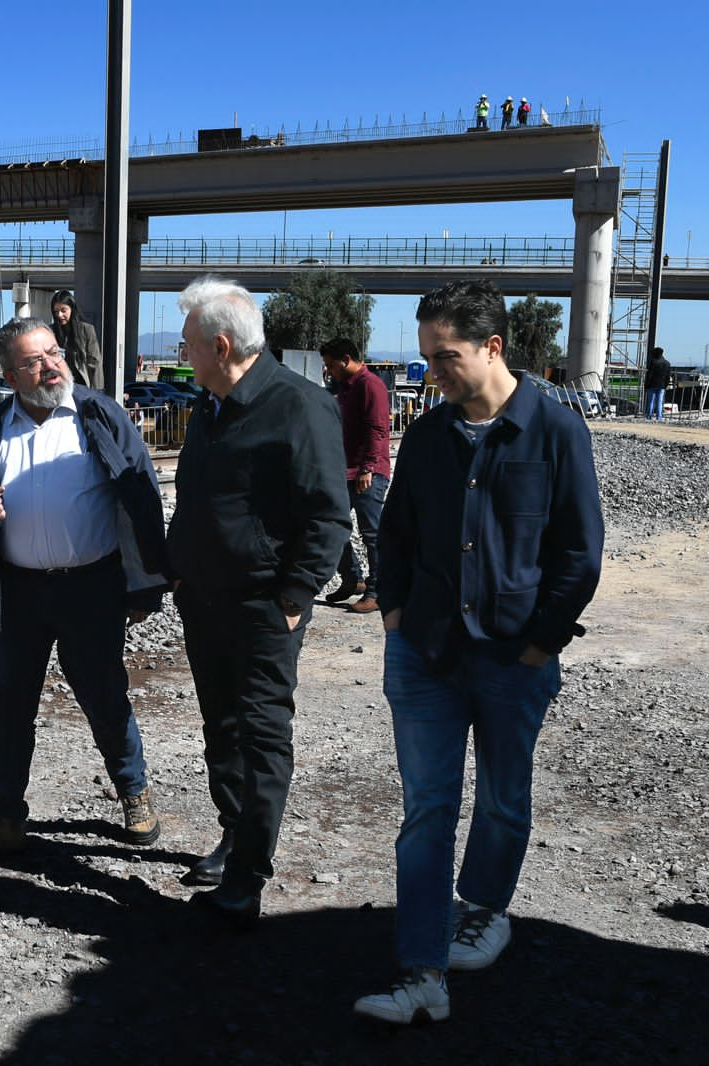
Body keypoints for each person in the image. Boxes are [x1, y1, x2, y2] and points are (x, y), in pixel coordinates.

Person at [353, 280, 602, 1025]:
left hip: (511, 660)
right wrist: (394, 612)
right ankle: (422, 970)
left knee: (501, 800)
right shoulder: (428, 435)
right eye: (427, 356)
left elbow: (579, 555)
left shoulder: (555, 433)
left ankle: (485, 907)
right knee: (426, 809)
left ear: (493, 347)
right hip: (424, 653)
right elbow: (393, 533)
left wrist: (539, 645)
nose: (432, 372)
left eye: (446, 356)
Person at [0, 317, 170, 863]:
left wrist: (147, 585)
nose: (50, 365)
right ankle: (7, 819)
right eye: (34, 361)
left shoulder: (98, 414)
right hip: (17, 593)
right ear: (11, 376)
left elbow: (144, 499)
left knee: (104, 696)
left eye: (53, 353)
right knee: (10, 708)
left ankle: (133, 793)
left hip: (91, 588)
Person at [164, 276, 349, 928]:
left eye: (188, 344)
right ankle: (233, 832)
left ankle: (247, 877)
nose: (181, 353)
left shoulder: (299, 406)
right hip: (204, 600)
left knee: (262, 733)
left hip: (264, 606)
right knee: (221, 730)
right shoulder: (212, 406)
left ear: (220, 345)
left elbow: (329, 516)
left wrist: (294, 598)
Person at [320, 337, 390, 615]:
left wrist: (368, 468)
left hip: (366, 474)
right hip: (345, 470)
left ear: (346, 359)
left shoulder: (370, 385)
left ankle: (377, 591)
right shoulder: (344, 387)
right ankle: (353, 579)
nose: (328, 371)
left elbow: (377, 429)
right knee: (330, 525)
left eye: (331, 365)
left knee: (371, 534)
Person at [50, 289, 103, 391]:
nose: (59, 315)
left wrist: (97, 392)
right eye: (56, 311)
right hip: (58, 388)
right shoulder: (50, 332)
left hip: (81, 388)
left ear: (72, 309)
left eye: (63, 310)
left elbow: (95, 363)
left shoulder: (87, 330)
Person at [644, 346, 671, 421]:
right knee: (659, 402)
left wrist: (646, 385)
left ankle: (649, 417)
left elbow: (649, 375)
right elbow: (668, 376)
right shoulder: (667, 363)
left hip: (652, 385)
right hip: (662, 386)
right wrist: (665, 385)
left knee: (651, 402)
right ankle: (659, 418)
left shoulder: (653, 362)